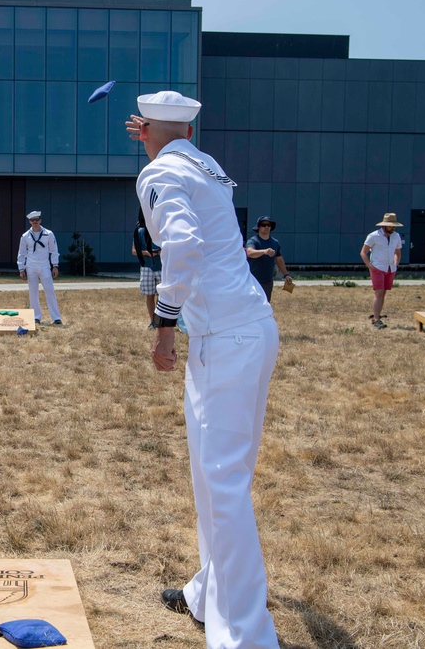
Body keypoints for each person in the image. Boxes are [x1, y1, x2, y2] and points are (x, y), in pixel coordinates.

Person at [127, 90, 280, 649]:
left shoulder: (160, 175)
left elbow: (184, 246)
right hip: (248, 326)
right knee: (215, 477)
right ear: (188, 130)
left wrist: (165, 323)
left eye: (142, 128)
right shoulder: (206, 165)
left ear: (146, 132)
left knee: (222, 482)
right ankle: (208, 593)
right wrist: (157, 135)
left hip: (226, 336)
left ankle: (244, 634)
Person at [16, 211, 62, 325]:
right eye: (32, 220)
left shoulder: (48, 234)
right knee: (33, 292)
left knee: (49, 291)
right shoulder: (25, 236)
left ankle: (56, 317)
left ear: (40, 220)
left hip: (44, 266)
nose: (35, 222)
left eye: (37, 219)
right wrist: (21, 268)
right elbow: (21, 253)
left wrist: (55, 265)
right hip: (31, 266)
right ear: (29, 222)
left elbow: (54, 250)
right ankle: (36, 317)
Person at [361, 213, 403, 329]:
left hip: (390, 268)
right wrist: (369, 265)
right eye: (390, 226)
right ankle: (376, 320)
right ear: (384, 225)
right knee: (378, 293)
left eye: (394, 226)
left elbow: (398, 252)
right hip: (377, 267)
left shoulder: (396, 236)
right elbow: (363, 252)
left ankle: (377, 314)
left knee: (383, 293)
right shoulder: (373, 236)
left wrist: (396, 263)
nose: (393, 228)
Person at [245, 216, 293, 302]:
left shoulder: (275, 243)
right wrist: (264, 251)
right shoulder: (253, 241)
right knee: (252, 305)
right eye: (264, 225)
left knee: (265, 304)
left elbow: (279, 259)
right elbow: (250, 253)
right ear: (258, 227)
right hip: (253, 281)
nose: (266, 227)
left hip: (267, 281)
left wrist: (286, 274)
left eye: (268, 225)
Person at [130, 227, 161, 328]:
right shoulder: (139, 231)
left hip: (162, 266)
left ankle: (159, 320)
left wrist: (161, 252)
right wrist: (146, 252)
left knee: (162, 296)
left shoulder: (162, 228)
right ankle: (153, 321)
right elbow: (134, 251)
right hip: (146, 266)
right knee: (149, 295)